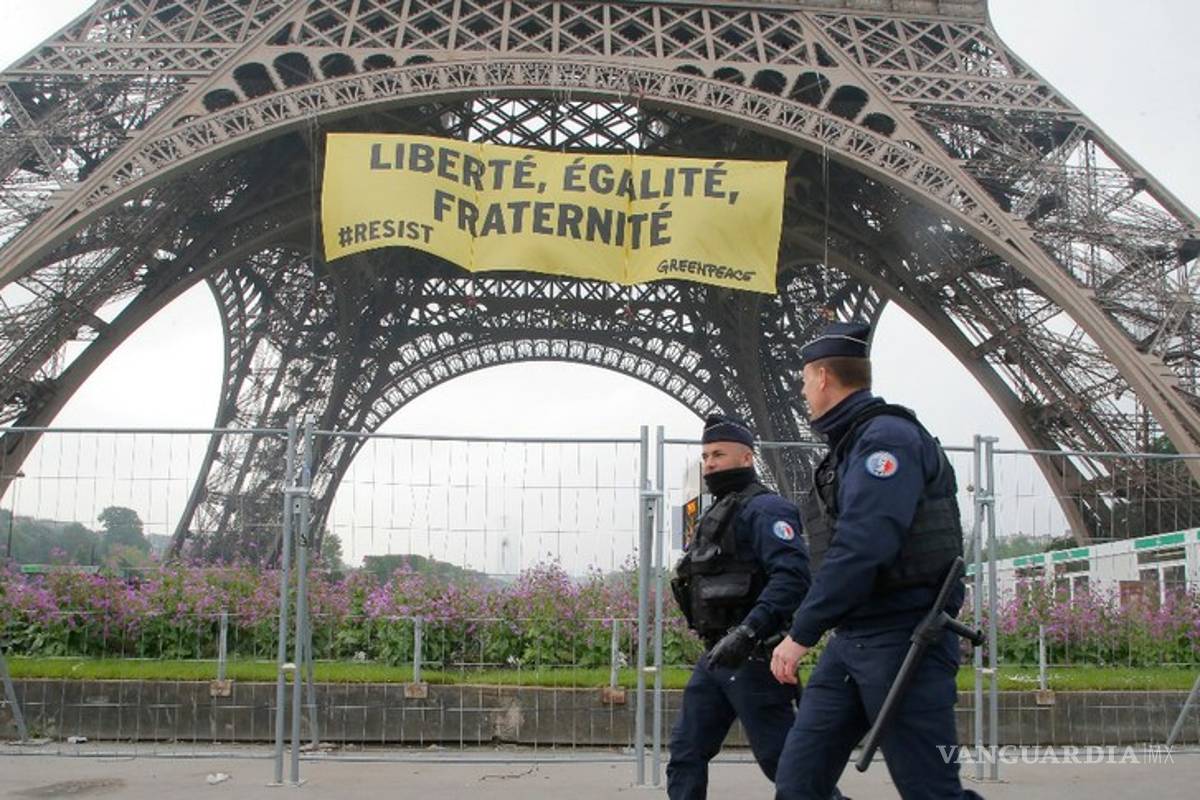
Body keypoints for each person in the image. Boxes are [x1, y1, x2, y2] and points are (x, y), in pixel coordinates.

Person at [770, 321, 982, 800]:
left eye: (804, 380)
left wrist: (802, 632)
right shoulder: (850, 445)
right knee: (799, 783)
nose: (802, 392)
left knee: (931, 791)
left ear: (822, 376)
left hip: (906, 639)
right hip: (855, 640)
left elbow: (864, 546)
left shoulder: (885, 440)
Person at [666, 413, 813, 799]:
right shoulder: (718, 511)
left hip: (754, 657)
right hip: (717, 654)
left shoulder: (767, 510)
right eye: (706, 456)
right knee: (685, 752)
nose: (710, 463)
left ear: (747, 458)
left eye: (719, 454)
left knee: (783, 763)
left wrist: (748, 633)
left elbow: (793, 578)